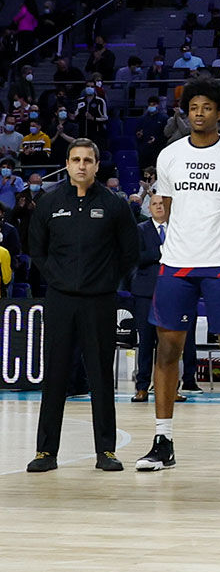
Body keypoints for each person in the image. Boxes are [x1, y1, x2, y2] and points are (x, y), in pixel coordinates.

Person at [140, 78, 220, 473]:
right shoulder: (170, 156)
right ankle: (162, 439)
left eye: (207, 107)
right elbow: (167, 208)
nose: (199, 113)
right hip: (178, 264)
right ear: (186, 112)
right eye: (193, 108)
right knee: (168, 349)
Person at [24, 140, 138, 474]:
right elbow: (37, 250)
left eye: (88, 160)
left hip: (100, 301)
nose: (82, 165)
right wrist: (58, 279)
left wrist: (105, 279)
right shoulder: (49, 201)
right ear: (68, 163)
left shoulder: (114, 204)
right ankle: (46, 451)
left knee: (101, 376)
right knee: (55, 375)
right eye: (75, 160)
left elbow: (129, 252)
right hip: (60, 300)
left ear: (97, 165)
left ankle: (106, 451)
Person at [126, 198, 163, 404]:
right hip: (145, 293)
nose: (159, 206)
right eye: (155, 203)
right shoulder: (140, 229)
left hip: (171, 293)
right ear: (149, 207)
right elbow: (134, 257)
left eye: (162, 203)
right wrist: (159, 253)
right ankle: (142, 387)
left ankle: (168, 388)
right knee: (146, 342)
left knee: (168, 345)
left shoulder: (178, 229)